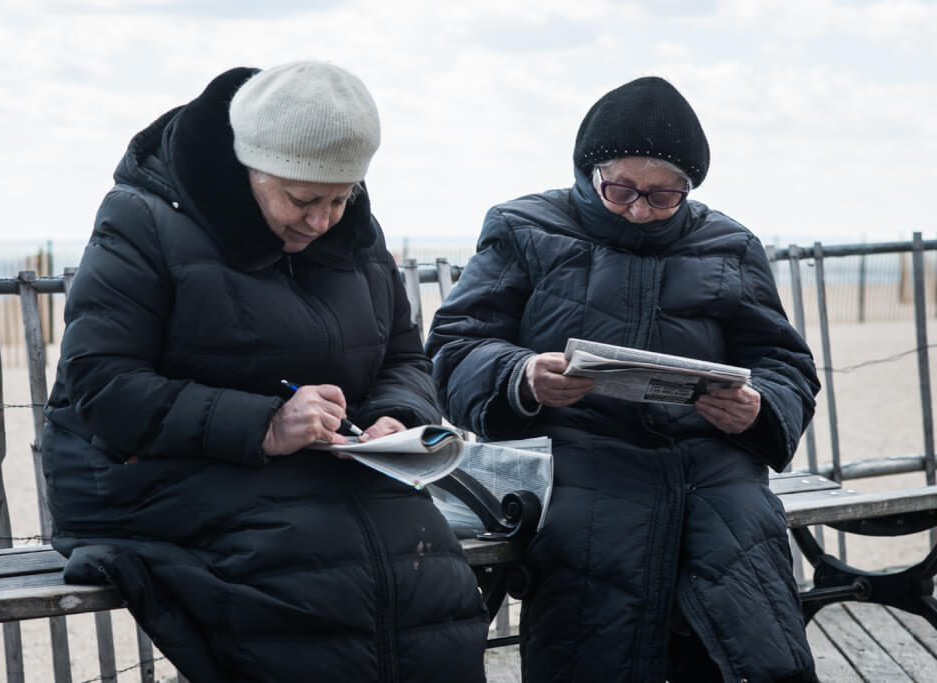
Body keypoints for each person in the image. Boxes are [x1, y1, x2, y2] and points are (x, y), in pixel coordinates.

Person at [42, 61, 488, 682]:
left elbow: (404, 357)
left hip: (318, 469)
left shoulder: (355, 233)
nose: (322, 221)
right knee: (309, 569)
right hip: (154, 472)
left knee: (427, 563)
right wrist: (264, 424)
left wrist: (398, 417)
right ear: (248, 167)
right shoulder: (142, 220)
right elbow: (103, 386)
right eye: (302, 199)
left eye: (341, 197)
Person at [425, 76, 821, 682]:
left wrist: (761, 408)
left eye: (664, 197)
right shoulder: (523, 228)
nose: (639, 209)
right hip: (580, 464)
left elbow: (785, 363)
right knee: (596, 597)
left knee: (750, 634)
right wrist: (521, 376)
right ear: (589, 171)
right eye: (621, 190)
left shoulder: (730, 245)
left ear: (689, 190)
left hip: (710, 470)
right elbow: (454, 347)